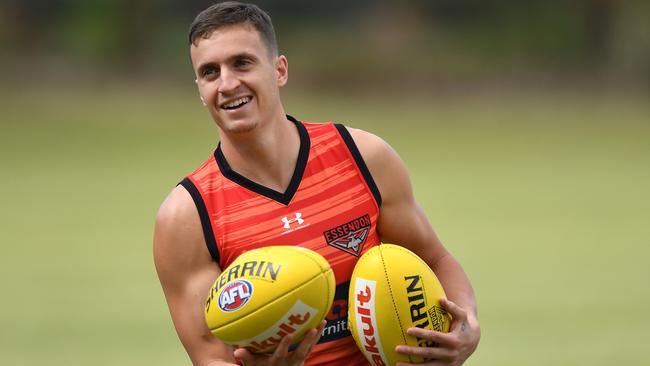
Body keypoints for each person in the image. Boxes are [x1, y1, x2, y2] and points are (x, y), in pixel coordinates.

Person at [153, 2, 480, 365]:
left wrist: (466, 325)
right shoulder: (187, 216)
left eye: (242, 63)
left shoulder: (362, 156)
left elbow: (435, 259)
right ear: (200, 89)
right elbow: (208, 355)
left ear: (279, 70)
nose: (227, 84)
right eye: (210, 72)